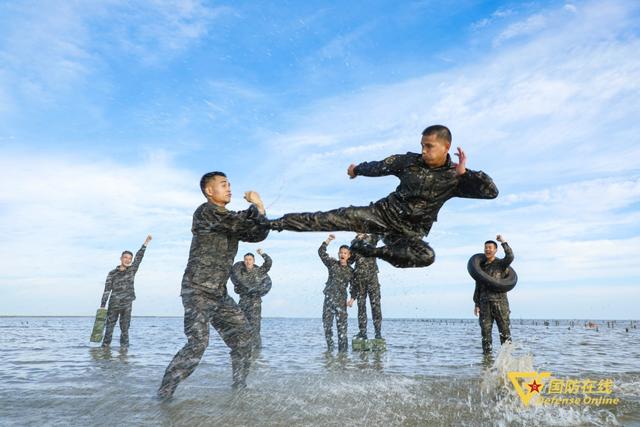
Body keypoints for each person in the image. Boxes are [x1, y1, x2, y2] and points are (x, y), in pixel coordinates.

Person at [270, 125, 498, 268]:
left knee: (427, 256)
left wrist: (467, 173)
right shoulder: (408, 161)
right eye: (422, 146)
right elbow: (380, 166)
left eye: (429, 146)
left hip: (408, 234)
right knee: (330, 217)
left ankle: (372, 251)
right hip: (381, 214)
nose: (424, 151)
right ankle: (275, 223)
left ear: (446, 146)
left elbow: (491, 192)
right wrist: (356, 170)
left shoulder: (455, 178)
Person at [158, 172, 270, 399]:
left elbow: (258, 234)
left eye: (229, 184)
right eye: (223, 185)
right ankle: (164, 394)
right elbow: (240, 221)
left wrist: (261, 208)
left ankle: (238, 389)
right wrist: (256, 205)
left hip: (219, 294)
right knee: (198, 343)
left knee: (244, 339)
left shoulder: (229, 218)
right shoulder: (206, 212)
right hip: (197, 290)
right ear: (210, 191)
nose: (229, 188)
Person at [100, 234, 152, 349]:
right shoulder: (112, 273)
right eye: (125, 258)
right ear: (121, 258)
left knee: (125, 329)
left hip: (127, 304)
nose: (128, 260)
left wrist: (145, 244)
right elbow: (107, 290)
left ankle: (124, 354)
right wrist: (103, 305)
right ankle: (105, 351)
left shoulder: (132, 270)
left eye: (130, 258)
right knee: (109, 328)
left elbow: (139, 257)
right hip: (114, 304)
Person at [473, 235, 514, 355]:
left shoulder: (501, 264)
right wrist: (476, 303)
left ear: (495, 250)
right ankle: (487, 362)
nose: (487, 250)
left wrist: (504, 242)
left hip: (500, 303)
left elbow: (510, 256)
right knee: (485, 334)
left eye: (490, 247)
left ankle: (507, 359)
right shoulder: (481, 267)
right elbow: (478, 286)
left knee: (505, 333)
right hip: (484, 303)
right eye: (486, 248)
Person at [230, 249, 273, 352]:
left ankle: (257, 350)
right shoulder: (240, 272)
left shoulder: (259, 271)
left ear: (253, 261)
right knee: (241, 326)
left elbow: (269, 263)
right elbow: (235, 282)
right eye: (246, 259)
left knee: (255, 327)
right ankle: (243, 349)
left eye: (250, 259)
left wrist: (262, 253)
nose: (248, 261)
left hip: (255, 303)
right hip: (243, 302)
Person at [319, 234, 355, 352]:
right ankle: (329, 351)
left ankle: (343, 356)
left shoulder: (351, 271)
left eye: (345, 253)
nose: (342, 254)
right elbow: (321, 253)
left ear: (348, 256)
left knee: (342, 330)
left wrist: (352, 299)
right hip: (329, 300)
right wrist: (328, 241)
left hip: (341, 302)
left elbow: (354, 287)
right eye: (341, 252)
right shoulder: (332, 264)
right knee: (327, 327)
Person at [351, 233, 383, 340]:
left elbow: (381, 232)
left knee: (376, 305)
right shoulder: (353, 243)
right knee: (361, 306)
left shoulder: (372, 238)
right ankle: (362, 332)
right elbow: (350, 261)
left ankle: (378, 333)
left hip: (372, 278)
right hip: (359, 280)